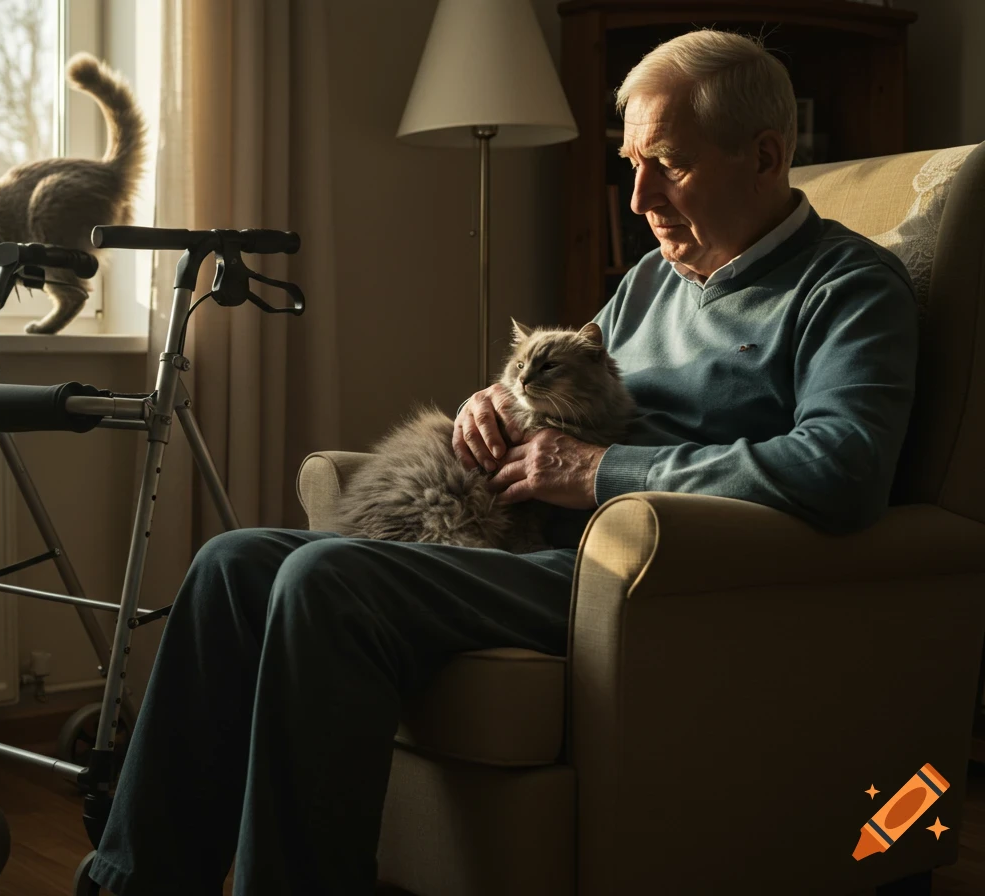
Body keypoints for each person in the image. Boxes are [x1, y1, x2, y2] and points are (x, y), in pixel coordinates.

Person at [89, 27, 918, 896]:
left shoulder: (849, 290)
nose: (636, 198)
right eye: (629, 161)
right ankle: (126, 884)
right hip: (531, 541)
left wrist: (599, 472)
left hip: (646, 577)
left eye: (666, 164)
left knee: (326, 580)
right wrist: (496, 404)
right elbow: (564, 385)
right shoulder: (651, 283)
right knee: (231, 564)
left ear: (766, 154)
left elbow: (842, 469)